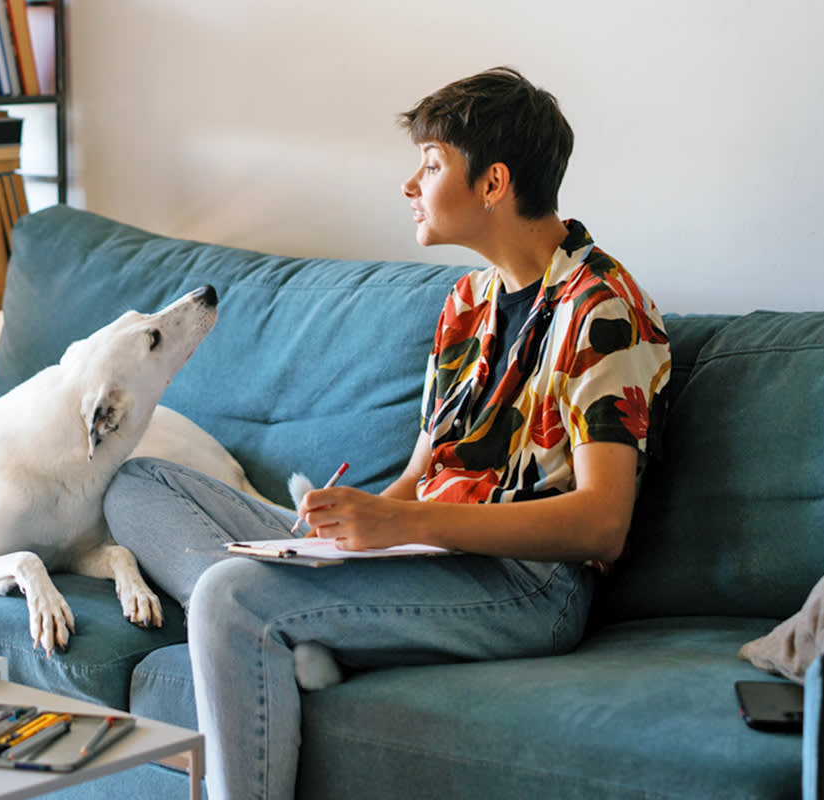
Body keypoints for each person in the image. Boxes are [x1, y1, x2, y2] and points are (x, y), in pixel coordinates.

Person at [105, 66, 671, 800]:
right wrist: (356, 520)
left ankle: (282, 618)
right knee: (134, 483)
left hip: (527, 585)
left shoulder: (602, 311)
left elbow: (602, 524)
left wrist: (403, 522)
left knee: (228, 599)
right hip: (425, 550)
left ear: (493, 183)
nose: (410, 184)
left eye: (430, 165)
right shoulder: (467, 304)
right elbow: (418, 475)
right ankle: (304, 624)